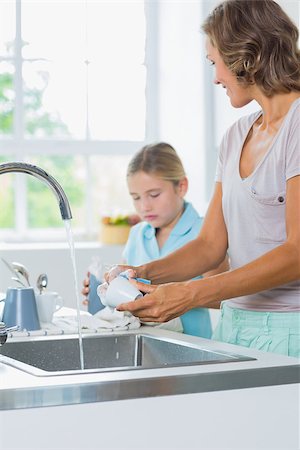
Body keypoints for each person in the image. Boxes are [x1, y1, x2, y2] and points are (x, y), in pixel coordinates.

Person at [105, 0, 300, 358]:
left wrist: (192, 293)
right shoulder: (234, 136)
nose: (215, 77)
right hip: (234, 325)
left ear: (246, 54)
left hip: (291, 328)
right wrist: (142, 272)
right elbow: (211, 244)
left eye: (215, 63)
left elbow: (297, 251)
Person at [82, 142, 228, 337]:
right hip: (144, 342)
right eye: (136, 197)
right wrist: (105, 290)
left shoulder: (204, 233)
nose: (145, 206)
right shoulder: (137, 234)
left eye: (154, 195)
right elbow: (127, 288)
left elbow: (223, 298)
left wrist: (177, 295)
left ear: (181, 187)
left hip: (194, 344)